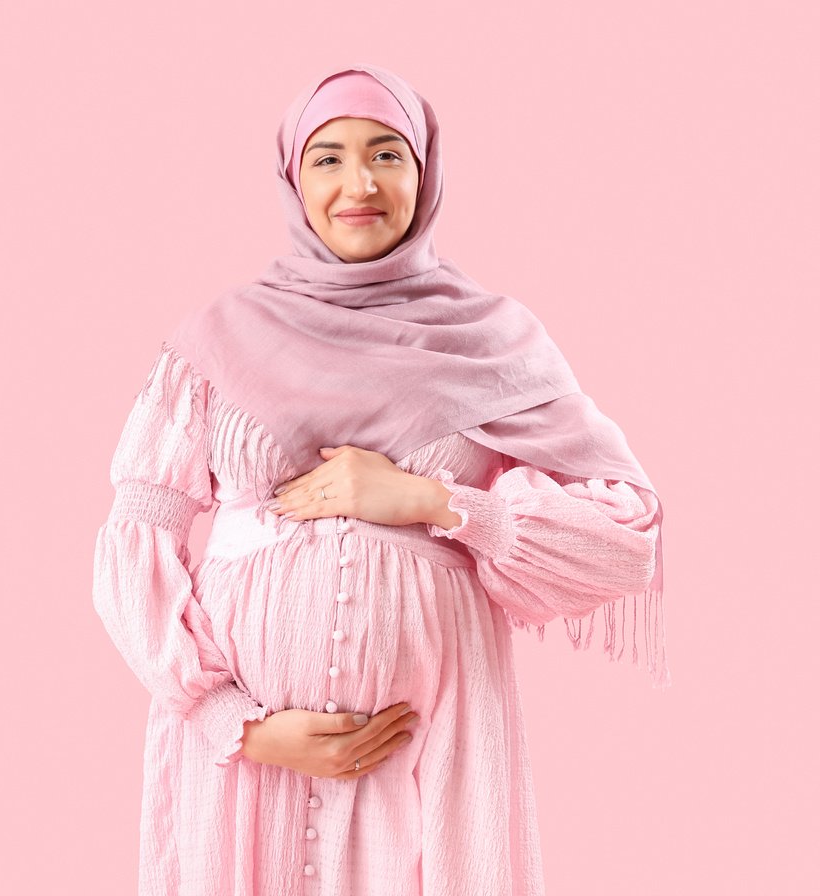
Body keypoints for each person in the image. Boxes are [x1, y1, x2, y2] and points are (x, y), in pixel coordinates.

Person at [91, 62, 666, 896]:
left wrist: (433, 503)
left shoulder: (495, 342)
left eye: (386, 154)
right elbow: (135, 536)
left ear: (424, 174)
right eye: (327, 157)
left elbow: (627, 540)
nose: (358, 183)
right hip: (249, 762)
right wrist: (235, 723)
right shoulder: (218, 339)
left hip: (433, 752)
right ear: (292, 178)